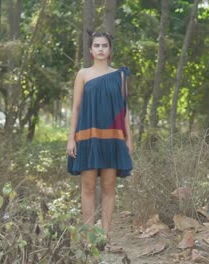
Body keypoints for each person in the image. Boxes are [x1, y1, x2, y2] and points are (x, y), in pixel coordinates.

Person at [66, 31, 133, 241]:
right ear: (90, 50)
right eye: (97, 45)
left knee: (109, 187)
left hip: (113, 137)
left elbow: (124, 110)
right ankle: (88, 237)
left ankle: (105, 236)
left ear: (110, 50)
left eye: (105, 45)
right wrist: (71, 138)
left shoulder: (120, 75)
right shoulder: (83, 74)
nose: (101, 49)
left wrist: (129, 139)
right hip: (87, 137)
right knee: (87, 187)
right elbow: (76, 108)